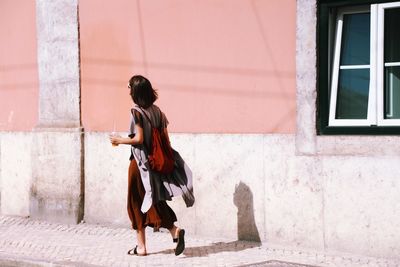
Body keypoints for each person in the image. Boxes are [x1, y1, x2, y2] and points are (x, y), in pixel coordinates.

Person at [109, 75, 194, 256]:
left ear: (136, 91)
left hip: (140, 164)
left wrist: (119, 140)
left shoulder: (137, 111)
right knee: (154, 200)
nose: (128, 89)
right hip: (155, 164)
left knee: (135, 202)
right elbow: (165, 139)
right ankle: (175, 232)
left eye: (130, 86)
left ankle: (142, 247)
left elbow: (139, 139)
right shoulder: (158, 111)